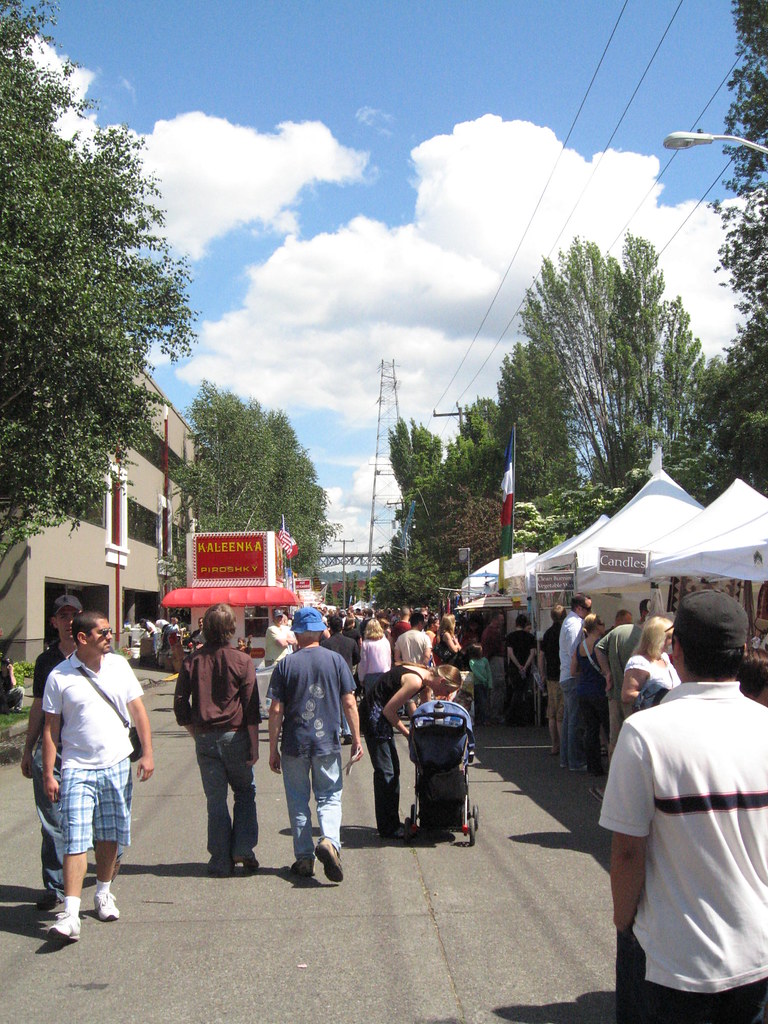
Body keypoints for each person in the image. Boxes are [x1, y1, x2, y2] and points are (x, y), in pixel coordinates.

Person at [600, 590, 768, 1024]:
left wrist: (624, 923)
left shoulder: (645, 733)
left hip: (672, 958)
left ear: (675, 651)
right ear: (742, 651)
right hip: (757, 950)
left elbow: (627, 852)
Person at [41, 610, 154, 942]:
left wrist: (146, 752)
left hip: (117, 761)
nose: (109, 636)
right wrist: (49, 773)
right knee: (75, 836)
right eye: (103, 632)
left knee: (109, 834)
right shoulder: (59, 677)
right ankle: (71, 914)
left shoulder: (119, 666)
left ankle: (103, 892)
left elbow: (138, 711)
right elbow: (51, 730)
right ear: (82, 638)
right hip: (77, 766)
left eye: (109, 631)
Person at [267, 606, 363, 882]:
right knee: (330, 796)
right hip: (327, 743)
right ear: (321, 631)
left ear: (297, 633)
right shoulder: (335, 661)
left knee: (298, 801)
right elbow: (349, 702)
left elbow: (275, 710)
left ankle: (304, 858)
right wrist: (356, 739)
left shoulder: (286, 665)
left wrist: (273, 747)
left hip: (294, 744)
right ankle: (330, 841)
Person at [173, 603, 260, 877]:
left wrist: (194, 731)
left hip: (205, 737)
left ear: (205, 628)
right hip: (236, 735)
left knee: (216, 799)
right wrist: (255, 745)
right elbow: (251, 706)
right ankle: (243, 847)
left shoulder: (192, 660)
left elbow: (179, 704)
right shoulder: (242, 660)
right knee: (245, 792)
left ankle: (220, 859)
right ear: (231, 629)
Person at [21, 594, 81, 910]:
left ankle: (90, 876)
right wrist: (28, 748)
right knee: (52, 820)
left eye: (74, 615)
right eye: (64, 615)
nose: (69, 621)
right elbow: (37, 709)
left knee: (88, 819)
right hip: (52, 749)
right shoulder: (46, 661)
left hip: (85, 750)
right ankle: (55, 885)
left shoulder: (97, 656)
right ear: (54, 622)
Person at [359, 662, 459, 838]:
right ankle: (387, 827)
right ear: (442, 681)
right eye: (448, 691)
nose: (447, 695)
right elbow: (389, 711)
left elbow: (421, 707)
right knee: (386, 772)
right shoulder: (415, 681)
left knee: (393, 770)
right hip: (374, 718)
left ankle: (391, 822)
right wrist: (408, 734)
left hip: (378, 715)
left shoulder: (425, 679)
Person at [595, 603, 646, 758]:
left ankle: (613, 773)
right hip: (633, 693)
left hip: (614, 692)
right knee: (634, 737)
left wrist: (607, 672)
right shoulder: (639, 633)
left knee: (615, 738)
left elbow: (598, 648)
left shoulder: (612, 634)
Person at [570, 613, 608, 776]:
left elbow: (573, 671)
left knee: (591, 729)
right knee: (607, 729)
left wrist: (585, 671)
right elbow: (606, 668)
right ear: (597, 626)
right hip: (599, 690)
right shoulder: (600, 644)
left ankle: (593, 766)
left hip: (583, 690)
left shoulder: (580, 646)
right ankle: (611, 765)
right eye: (602, 624)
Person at [558, 593, 592, 772]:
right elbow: (574, 653)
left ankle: (566, 759)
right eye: (588, 608)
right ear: (579, 608)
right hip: (571, 676)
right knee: (574, 721)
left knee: (568, 720)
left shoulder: (571, 622)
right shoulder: (574, 625)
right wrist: (577, 671)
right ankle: (575, 761)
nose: (589, 612)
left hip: (567, 676)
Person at [621, 616, 679, 714]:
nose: (672, 641)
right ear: (658, 638)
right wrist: (660, 697)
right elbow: (627, 695)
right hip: (650, 717)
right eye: (669, 637)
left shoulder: (664, 658)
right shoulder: (639, 662)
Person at [321, 614, 361, 743]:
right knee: (348, 703)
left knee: (334, 704)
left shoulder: (325, 644)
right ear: (342, 627)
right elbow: (357, 658)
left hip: (330, 676)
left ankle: (337, 730)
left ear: (330, 628)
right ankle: (348, 731)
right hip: (347, 674)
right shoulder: (350, 642)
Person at [539, 604, 565, 755]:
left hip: (550, 675)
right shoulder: (564, 632)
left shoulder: (548, 633)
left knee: (552, 713)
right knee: (560, 714)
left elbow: (541, 655)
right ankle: (562, 745)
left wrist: (542, 673)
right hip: (563, 674)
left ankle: (554, 744)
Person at [505, 612, 537, 725]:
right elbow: (532, 653)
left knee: (516, 691)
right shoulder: (531, 637)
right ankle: (522, 716)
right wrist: (525, 666)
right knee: (523, 691)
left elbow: (510, 653)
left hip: (514, 668)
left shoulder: (510, 637)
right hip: (526, 667)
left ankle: (512, 716)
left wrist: (518, 665)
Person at [481, 611, 507, 723]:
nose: (503, 622)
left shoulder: (488, 631)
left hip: (492, 659)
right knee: (498, 687)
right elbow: (493, 648)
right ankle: (495, 714)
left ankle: (493, 713)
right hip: (495, 660)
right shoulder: (493, 632)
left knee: (495, 687)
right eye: (501, 620)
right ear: (495, 620)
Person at [358, 617, 392, 684]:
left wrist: (361, 678)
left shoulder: (366, 644)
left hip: (371, 675)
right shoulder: (385, 641)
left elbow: (363, 662)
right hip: (385, 672)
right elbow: (389, 659)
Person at [467, 643, 492, 726]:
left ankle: (485, 718)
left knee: (486, 702)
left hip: (485, 684)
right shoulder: (472, 661)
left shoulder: (485, 660)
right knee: (481, 702)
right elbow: (475, 672)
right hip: (477, 684)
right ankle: (480, 719)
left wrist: (490, 683)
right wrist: (483, 679)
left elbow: (489, 672)